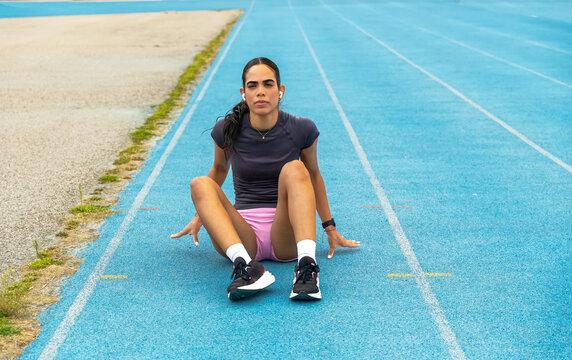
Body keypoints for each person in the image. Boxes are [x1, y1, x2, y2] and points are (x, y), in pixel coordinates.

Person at [171, 57, 359, 301]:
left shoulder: (302, 128)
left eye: (268, 84)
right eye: (253, 85)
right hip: (242, 234)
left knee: (295, 168)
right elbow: (218, 171)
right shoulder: (227, 129)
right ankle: (246, 268)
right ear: (243, 93)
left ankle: (307, 267)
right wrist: (201, 215)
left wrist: (330, 227)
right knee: (199, 183)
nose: (260, 91)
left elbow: (313, 175)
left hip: (287, 232)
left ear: (280, 91)